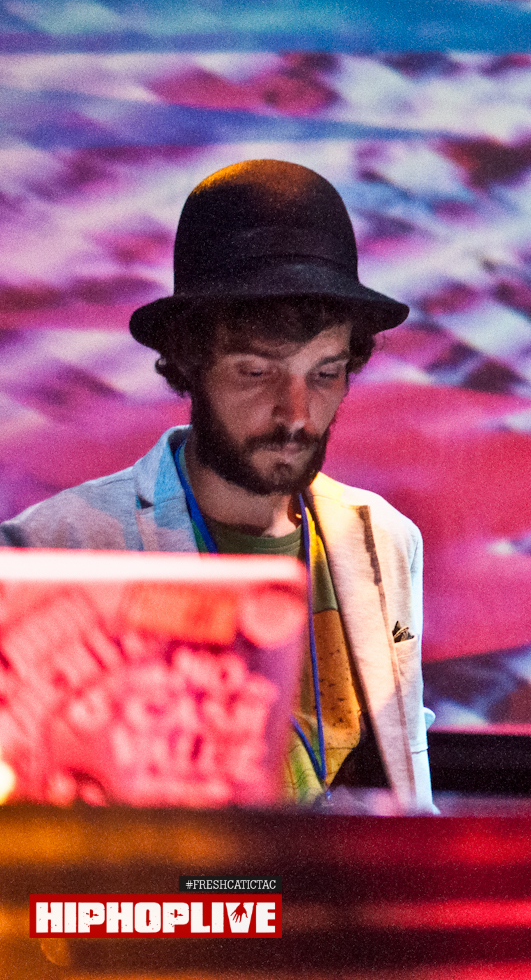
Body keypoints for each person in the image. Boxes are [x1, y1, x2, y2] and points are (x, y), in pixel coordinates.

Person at [0, 160, 434, 810]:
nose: (296, 414)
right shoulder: (53, 546)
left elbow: (407, 772)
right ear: (188, 360)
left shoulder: (388, 539)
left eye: (325, 373)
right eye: (256, 372)